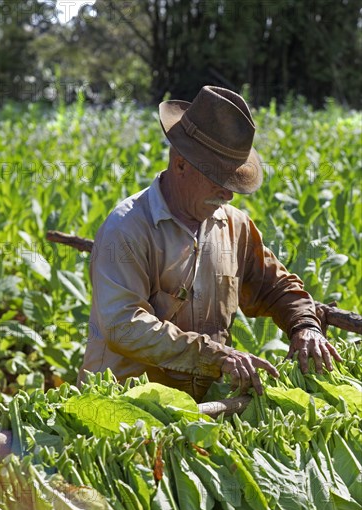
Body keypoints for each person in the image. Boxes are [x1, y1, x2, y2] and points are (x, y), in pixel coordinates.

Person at [78, 86, 342, 402]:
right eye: (220, 179)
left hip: (205, 407)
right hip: (126, 408)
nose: (229, 194)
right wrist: (216, 356)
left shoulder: (234, 225)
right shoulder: (128, 228)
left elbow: (274, 287)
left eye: (234, 181)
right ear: (180, 166)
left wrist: (304, 325)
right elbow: (124, 326)